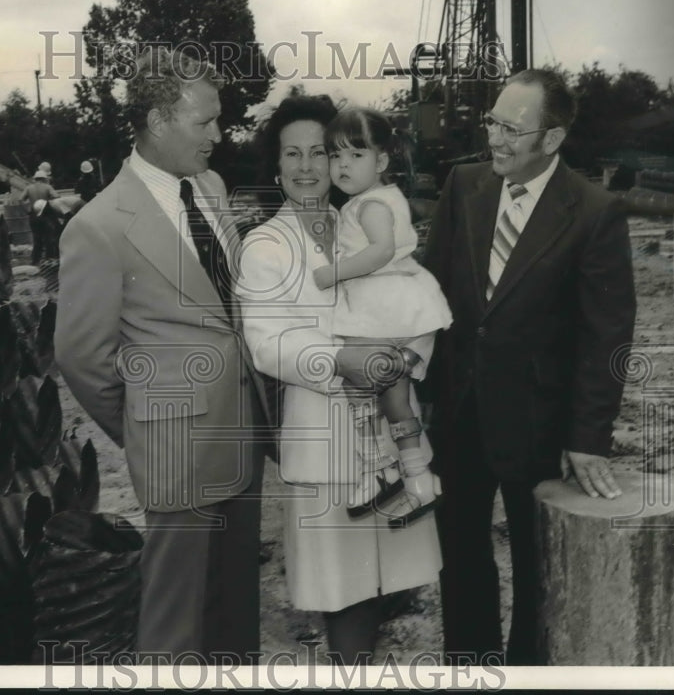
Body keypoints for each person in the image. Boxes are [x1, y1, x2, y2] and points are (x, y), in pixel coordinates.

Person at [54, 47, 267, 663]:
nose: (218, 136)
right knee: (175, 621)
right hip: (176, 448)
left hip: (243, 431)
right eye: (205, 122)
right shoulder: (98, 226)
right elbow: (82, 357)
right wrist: (149, 428)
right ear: (156, 120)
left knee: (235, 609)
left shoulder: (212, 188)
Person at [422, 68, 637, 665]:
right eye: (494, 120)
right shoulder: (463, 186)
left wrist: (589, 436)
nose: (495, 137)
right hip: (459, 415)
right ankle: (470, 669)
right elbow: (431, 291)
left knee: (537, 571)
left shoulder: (595, 212)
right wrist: (416, 402)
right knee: (460, 558)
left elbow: (608, 333)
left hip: (539, 426)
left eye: (513, 129)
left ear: (553, 139)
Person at [236, 95, 443, 666]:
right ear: (276, 167)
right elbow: (265, 343)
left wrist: (406, 356)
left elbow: (408, 302)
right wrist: (338, 362)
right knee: (344, 593)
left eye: (319, 153)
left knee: (391, 581)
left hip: (388, 433)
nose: (307, 166)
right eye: (292, 154)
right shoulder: (265, 245)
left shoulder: (362, 223)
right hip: (323, 438)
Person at [314, 107, 451, 526]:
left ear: (382, 162)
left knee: (359, 382)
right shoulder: (374, 198)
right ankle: (415, 478)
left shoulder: (371, 204)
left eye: (356, 155)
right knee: (393, 399)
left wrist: (329, 274)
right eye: (335, 156)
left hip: (386, 310)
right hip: (398, 310)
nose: (343, 166)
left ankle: (379, 467)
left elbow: (380, 252)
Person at [24, 169, 59, 265]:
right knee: (49, 237)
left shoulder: (29, 188)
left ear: (35, 178)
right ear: (44, 178)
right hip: (46, 215)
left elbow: (20, 199)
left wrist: (27, 209)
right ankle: (49, 258)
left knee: (36, 238)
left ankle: (35, 260)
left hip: (33, 215)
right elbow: (56, 196)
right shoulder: (47, 187)